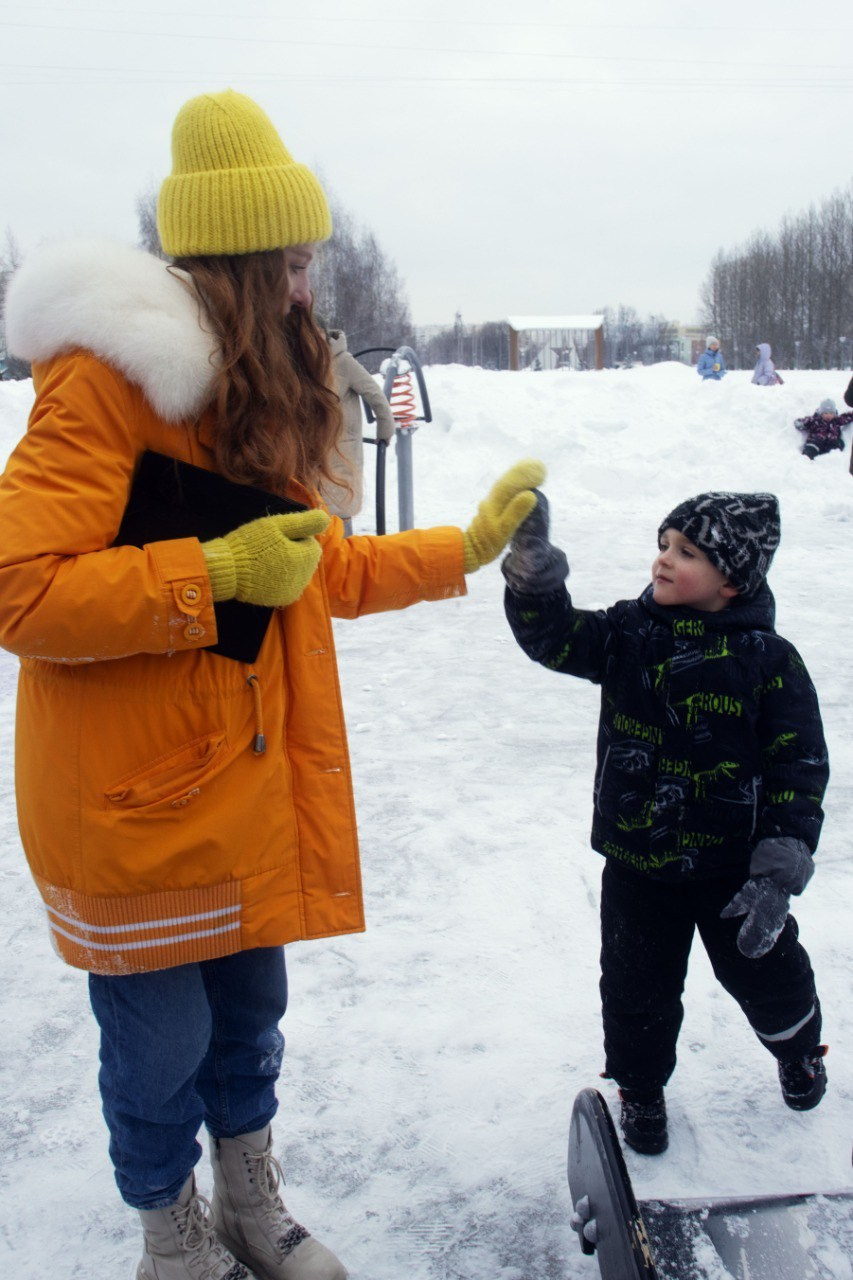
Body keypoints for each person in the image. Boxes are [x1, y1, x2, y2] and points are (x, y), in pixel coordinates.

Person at [0, 88, 545, 1280]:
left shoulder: (261, 388)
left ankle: (251, 1205)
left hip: (242, 786)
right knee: (157, 1050)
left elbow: (309, 569)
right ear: (241, 261)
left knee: (248, 1028)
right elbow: (19, 587)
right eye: (293, 262)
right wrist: (203, 572)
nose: (308, 286)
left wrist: (456, 549)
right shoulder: (100, 382)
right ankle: (172, 1236)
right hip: (134, 801)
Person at [501, 490, 829, 1156]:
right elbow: (557, 641)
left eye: (685, 552)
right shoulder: (628, 633)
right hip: (637, 860)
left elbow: (798, 766)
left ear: (731, 579)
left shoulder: (770, 660)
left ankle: (797, 1049)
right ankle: (640, 1089)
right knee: (633, 986)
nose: (662, 561)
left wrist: (779, 867)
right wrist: (534, 580)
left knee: (767, 975)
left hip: (734, 872)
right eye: (661, 545)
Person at [321, 328, 396, 536]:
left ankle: (345, 560)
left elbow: (376, 397)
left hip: (340, 452)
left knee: (338, 510)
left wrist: (384, 431)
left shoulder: (343, 362)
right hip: (310, 456)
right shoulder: (298, 365)